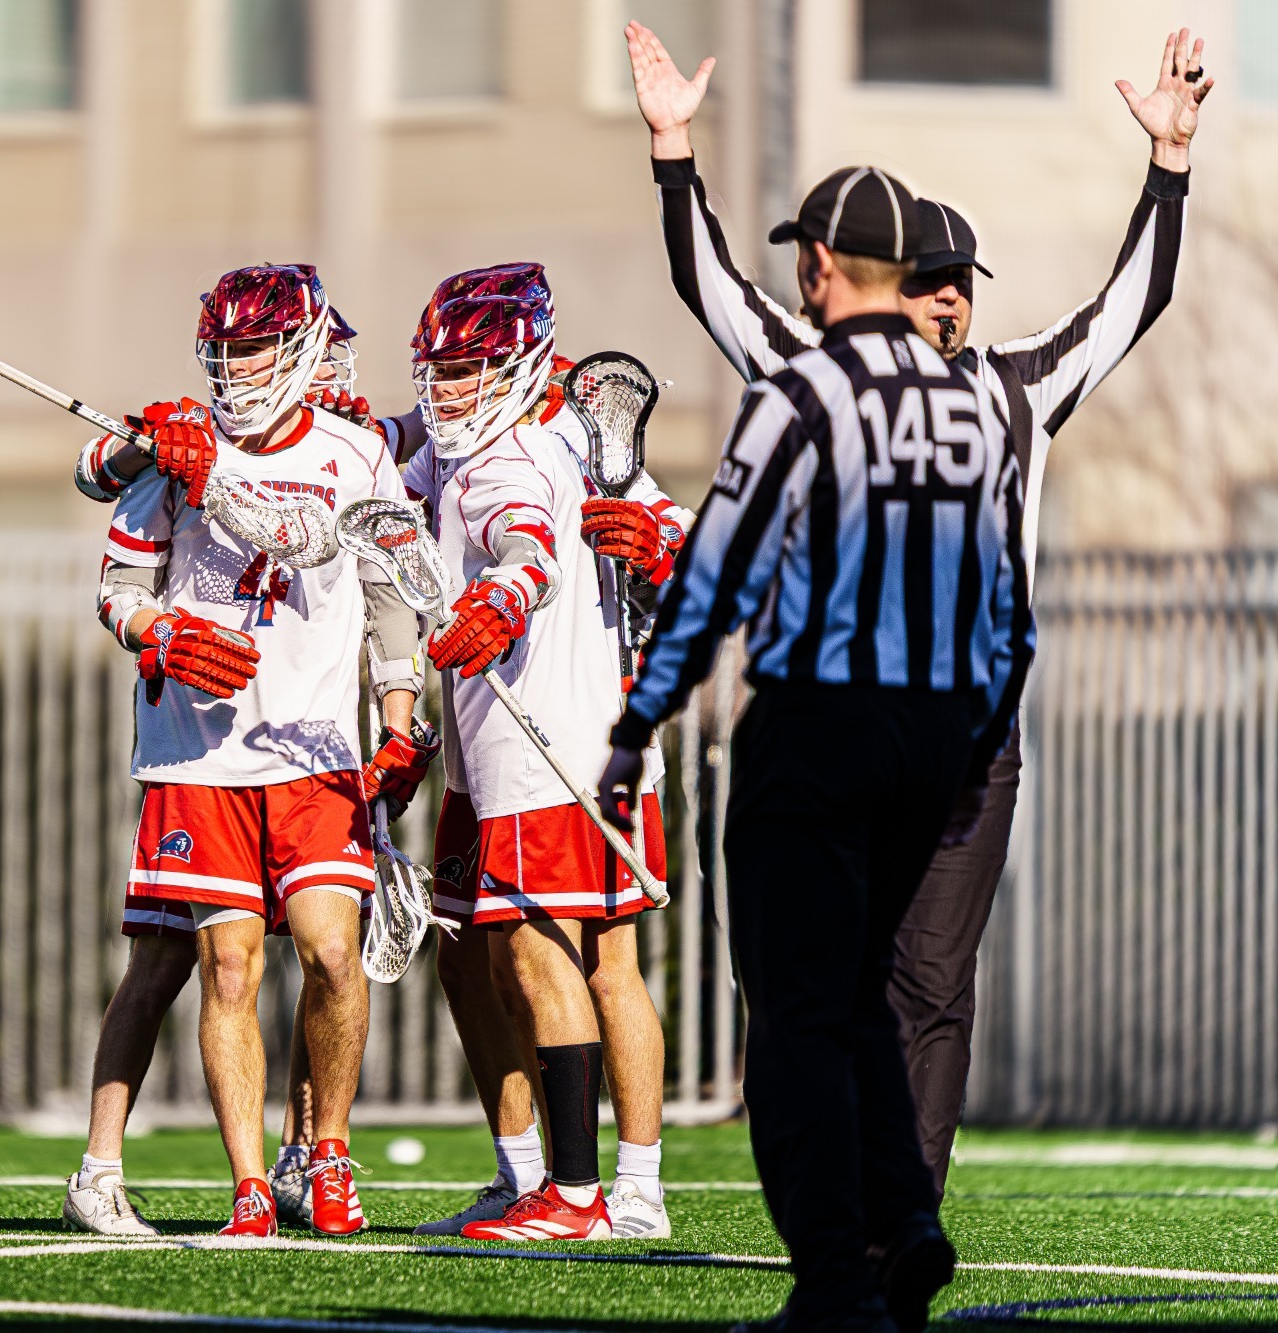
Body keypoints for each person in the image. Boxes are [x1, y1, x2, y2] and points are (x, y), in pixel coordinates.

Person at [625, 20, 1205, 1199]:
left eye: (957, 283)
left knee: (931, 986)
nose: (944, 299)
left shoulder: (1016, 387)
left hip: (964, 742)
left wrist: (1169, 164)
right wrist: (673, 152)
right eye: (923, 279)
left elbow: (1127, 303)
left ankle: (897, 1218)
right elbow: (713, 293)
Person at [599, 164, 1034, 1333]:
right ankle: (907, 1215)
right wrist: (972, 746)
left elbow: (714, 569)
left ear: (820, 267)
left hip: (819, 723)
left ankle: (834, 1274)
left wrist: (637, 723)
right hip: (933, 733)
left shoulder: (803, 387)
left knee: (793, 1009)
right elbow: (1006, 605)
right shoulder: (975, 408)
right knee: (861, 994)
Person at [62, 300, 435, 1236]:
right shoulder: (179, 444)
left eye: (259, 348)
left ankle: (323, 1154)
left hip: (315, 752)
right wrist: (162, 634)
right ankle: (247, 1185)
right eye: (228, 349)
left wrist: (399, 715)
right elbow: (118, 577)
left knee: (332, 956)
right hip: (201, 752)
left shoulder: (356, 452)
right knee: (219, 965)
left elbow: (388, 590)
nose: (240, 367)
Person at [392, 267, 691, 1239]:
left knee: (539, 951)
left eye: (468, 368)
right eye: (440, 369)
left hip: (546, 744)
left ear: (522, 363)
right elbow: (379, 472)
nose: (449, 388)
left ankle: (576, 1191)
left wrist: (512, 593)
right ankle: (607, 1186)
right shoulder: (553, 436)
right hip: (550, 742)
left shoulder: (506, 458)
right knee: (508, 957)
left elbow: (530, 550)